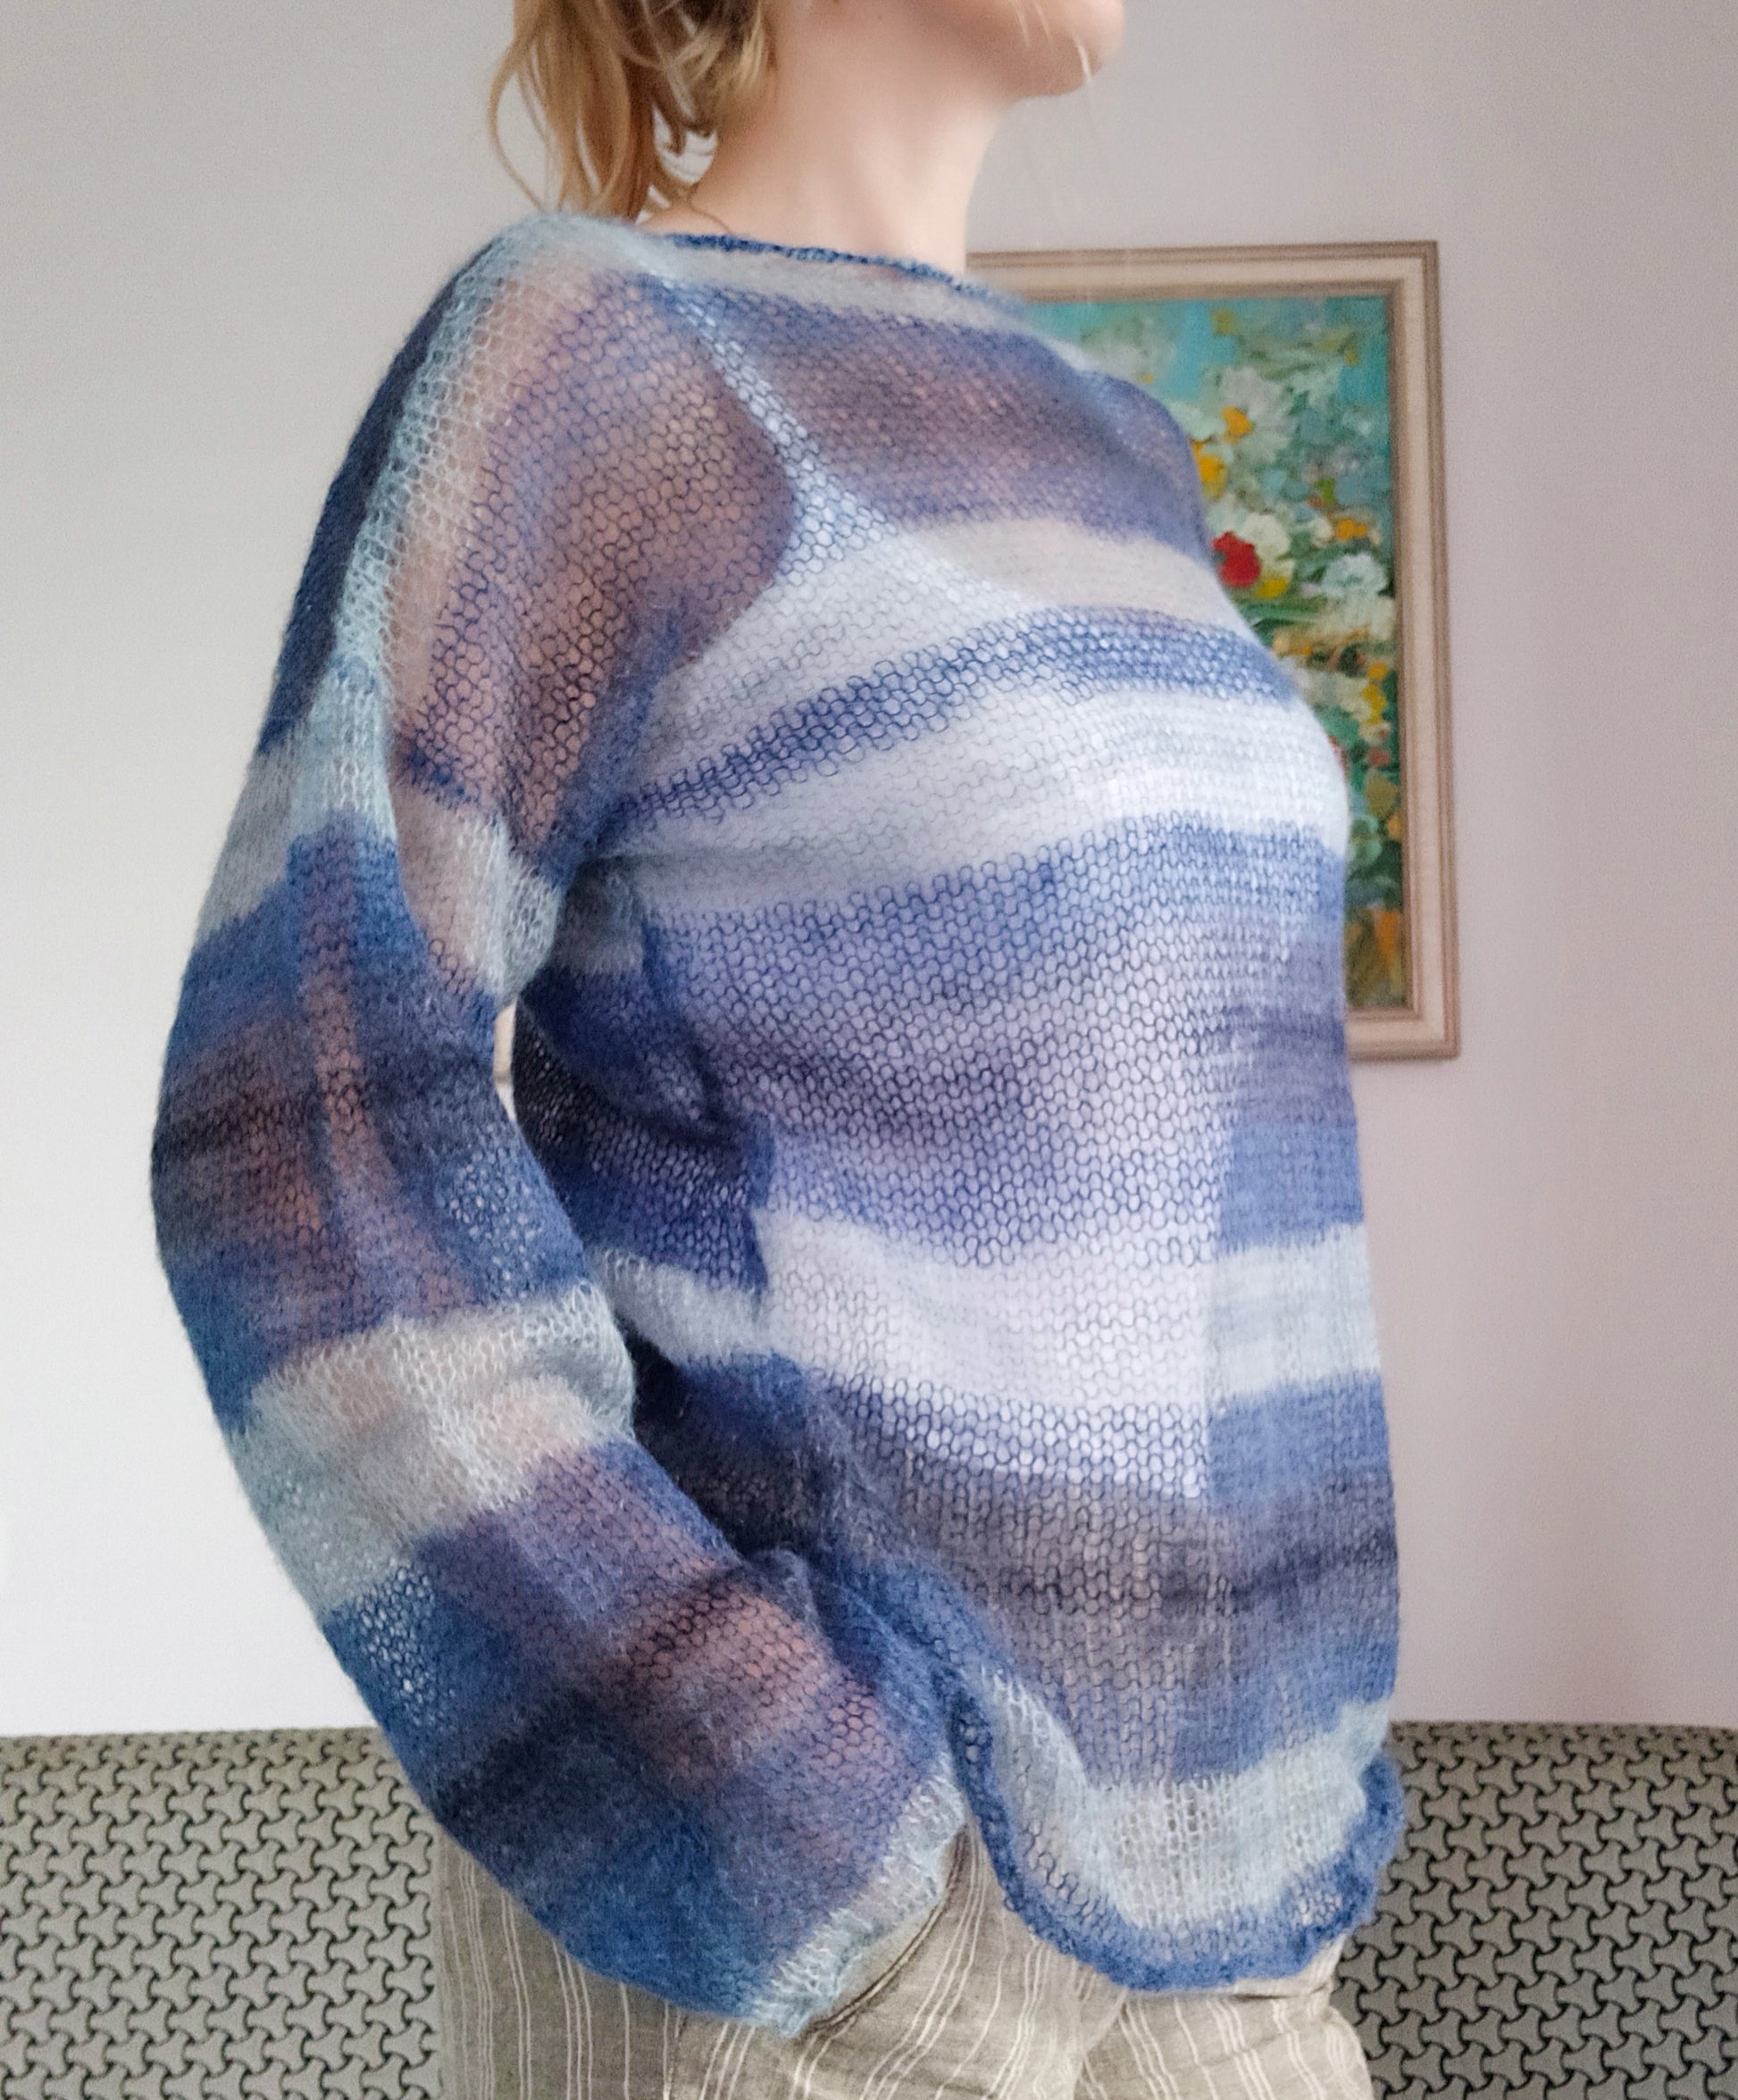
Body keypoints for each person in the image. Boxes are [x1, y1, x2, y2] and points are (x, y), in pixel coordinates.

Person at [148, 0, 1404, 2093]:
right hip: (826, 1957)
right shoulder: (600, 355)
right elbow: (289, 1133)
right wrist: (797, 1830)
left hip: (1242, 1912)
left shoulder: (1114, 445)